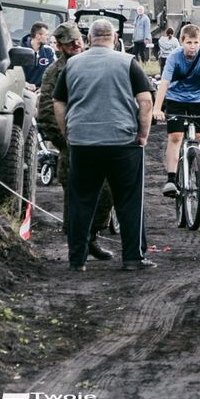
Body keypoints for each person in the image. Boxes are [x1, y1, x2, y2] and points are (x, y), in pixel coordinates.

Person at [51, 19, 155, 272]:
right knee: (129, 201)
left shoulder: (72, 65)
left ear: (89, 39)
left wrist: (68, 133)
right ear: (115, 38)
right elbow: (145, 101)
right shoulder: (128, 62)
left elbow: (58, 102)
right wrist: (142, 134)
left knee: (80, 201)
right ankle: (133, 258)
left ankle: (77, 260)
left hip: (83, 143)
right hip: (122, 142)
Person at [37, 22, 114, 261]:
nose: (76, 45)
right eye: (69, 43)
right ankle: (77, 248)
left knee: (106, 191)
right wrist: (65, 143)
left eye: (78, 40)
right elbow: (47, 112)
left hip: (99, 138)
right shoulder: (54, 72)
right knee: (75, 196)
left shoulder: (94, 61)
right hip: (72, 143)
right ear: (59, 46)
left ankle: (92, 236)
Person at [153, 23, 200, 201]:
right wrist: (157, 108)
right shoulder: (174, 57)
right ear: (182, 42)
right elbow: (164, 83)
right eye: (189, 42)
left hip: (198, 100)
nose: (192, 47)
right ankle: (171, 180)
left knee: (199, 138)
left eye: (196, 42)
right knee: (175, 136)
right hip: (176, 99)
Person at [21, 21, 56, 88]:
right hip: (22, 89)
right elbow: (13, 75)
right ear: (38, 36)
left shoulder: (49, 51)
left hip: (42, 90)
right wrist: (25, 85)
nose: (48, 37)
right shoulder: (20, 51)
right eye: (46, 35)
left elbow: (54, 74)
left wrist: (42, 88)